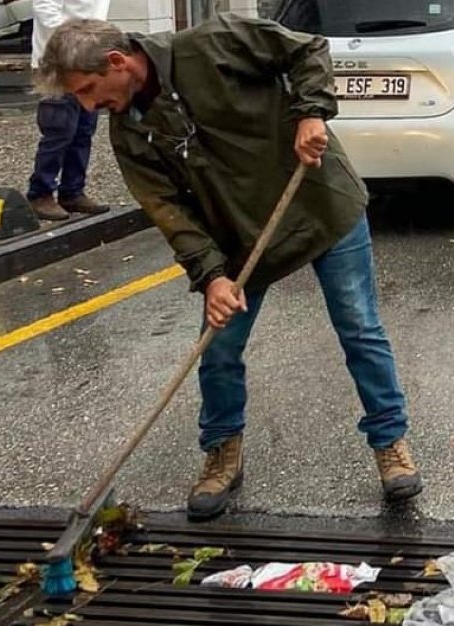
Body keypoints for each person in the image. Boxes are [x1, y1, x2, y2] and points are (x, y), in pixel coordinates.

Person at [33, 15, 422, 521]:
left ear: (117, 62)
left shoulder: (212, 44)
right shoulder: (128, 132)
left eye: (88, 90)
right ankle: (222, 452)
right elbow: (169, 211)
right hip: (237, 238)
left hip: (318, 203)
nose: (88, 106)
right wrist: (212, 275)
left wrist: (310, 114)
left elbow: (306, 50)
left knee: (359, 327)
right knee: (218, 348)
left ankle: (390, 445)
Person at [25, 0, 112, 221]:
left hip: (86, 60)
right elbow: (45, 8)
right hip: (58, 62)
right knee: (59, 130)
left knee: (84, 130)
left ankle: (72, 191)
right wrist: (73, 43)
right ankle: (40, 194)